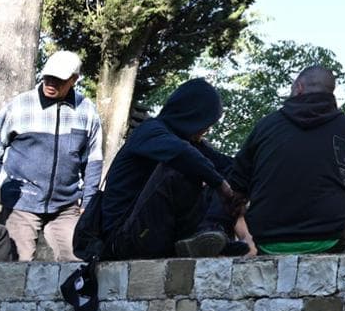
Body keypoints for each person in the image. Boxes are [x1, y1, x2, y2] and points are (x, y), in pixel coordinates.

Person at [88, 78, 242, 259]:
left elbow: (229, 165)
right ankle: (203, 232)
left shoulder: (188, 143)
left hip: (156, 232)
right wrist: (221, 186)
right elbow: (183, 155)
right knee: (184, 166)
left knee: (226, 170)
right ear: (192, 115)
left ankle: (213, 234)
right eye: (205, 123)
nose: (206, 130)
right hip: (123, 239)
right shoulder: (150, 132)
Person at [231, 65, 345, 254]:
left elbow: (237, 185)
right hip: (331, 239)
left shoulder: (266, 126)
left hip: (266, 240)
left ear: (299, 87)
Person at [0, 50, 105, 261]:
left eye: (58, 80)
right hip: (21, 204)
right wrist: (10, 187)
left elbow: (93, 160)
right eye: (47, 77)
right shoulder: (18, 106)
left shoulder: (87, 110)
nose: (51, 83)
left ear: (73, 80)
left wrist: (87, 203)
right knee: (17, 266)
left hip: (66, 205)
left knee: (78, 262)